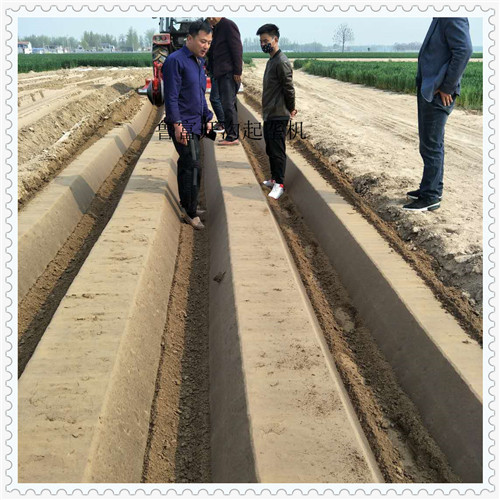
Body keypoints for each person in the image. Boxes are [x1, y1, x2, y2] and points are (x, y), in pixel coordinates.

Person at [403, 17, 473, 212]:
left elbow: (464, 50)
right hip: (431, 89)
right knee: (432, 143)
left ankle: (430, 196)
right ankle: (431, 188)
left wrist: (447, 87)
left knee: (431, 145)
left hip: (438, 92)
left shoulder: (452, 14)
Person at [163, 20, 214, 230]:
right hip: (182, 124)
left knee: (190, 164)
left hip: (195, 123)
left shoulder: (198, 62)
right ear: (190, 39)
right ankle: (190, 213)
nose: (206, 46)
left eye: (209, 42)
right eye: (203, 41)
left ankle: (188, 204)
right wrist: (177, 125)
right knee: (192, 166)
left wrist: (207, 117)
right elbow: (171, 97)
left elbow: (199, 95)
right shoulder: (175, 61)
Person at [257, 23, 297, 200]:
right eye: (261, 41)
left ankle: (279, 184)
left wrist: (291, 107)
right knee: (270, 148)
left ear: (275, 40)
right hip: (269, 113)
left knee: (277, 149)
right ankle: (274, 178)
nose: (263, 44)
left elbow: (289, 88)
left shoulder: (282, 62)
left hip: (279, 113)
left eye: (266, 41)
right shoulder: (271, 60)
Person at [206, 17, 243, 146]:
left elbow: (237, 49)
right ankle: (230, 133)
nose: (210, 19)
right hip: (220, 73)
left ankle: (232, 137)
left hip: (229, 73)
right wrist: (209, 68)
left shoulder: (228, 25)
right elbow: (213, 51)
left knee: (228, 105)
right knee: (225, 104)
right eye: (208, 17)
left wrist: (237, 71)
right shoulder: (216, 28)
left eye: (212, 15)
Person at [206, 18, 225, 133]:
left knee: (214, 98)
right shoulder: (215, 38)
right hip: (214, 71)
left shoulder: (218, 38)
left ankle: (223, 122)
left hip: (218, 72)